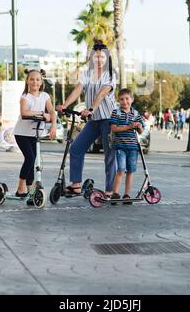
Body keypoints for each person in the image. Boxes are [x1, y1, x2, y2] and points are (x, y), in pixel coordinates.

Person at [57, 41, 117, 198]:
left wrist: (91, 109)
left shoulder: (110, 74)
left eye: (102, 56)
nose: (99, 59)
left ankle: (109, 191)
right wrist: (65, 105)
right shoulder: (87, 73)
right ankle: (76, 185)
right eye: (96, 56)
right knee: (76, 148)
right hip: (93, 120)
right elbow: (78, 90)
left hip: (109, 120)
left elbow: (102, 93)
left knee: (109, 156)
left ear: (107, 58)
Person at [14, 69, 56, 201]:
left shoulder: (45, 96)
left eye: (37, 79)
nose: (35, 82)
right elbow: (24, 112)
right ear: (27, 81)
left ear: (41, 82)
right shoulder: (25, 97)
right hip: (22, 133)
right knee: (30, 159)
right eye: (32, 79)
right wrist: (41, 114)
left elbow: (52, 112)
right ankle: (21, 187)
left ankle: (30, 190)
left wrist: (53, 125)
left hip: (35, 133)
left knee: (32, 161)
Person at [110, 89, 145, 204]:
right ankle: (115, 193)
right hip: (120, 146)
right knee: (120, 170)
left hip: (133, 147)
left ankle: (127, 195)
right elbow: (114, 128)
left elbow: (140, 131)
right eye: (121, 99)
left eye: (127, 99)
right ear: (118, 101)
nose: (124, 101)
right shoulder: (116, 113)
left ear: (132, 100)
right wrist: (129, 126)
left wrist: (138, 126)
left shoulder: (136, 114)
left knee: (130, 171)